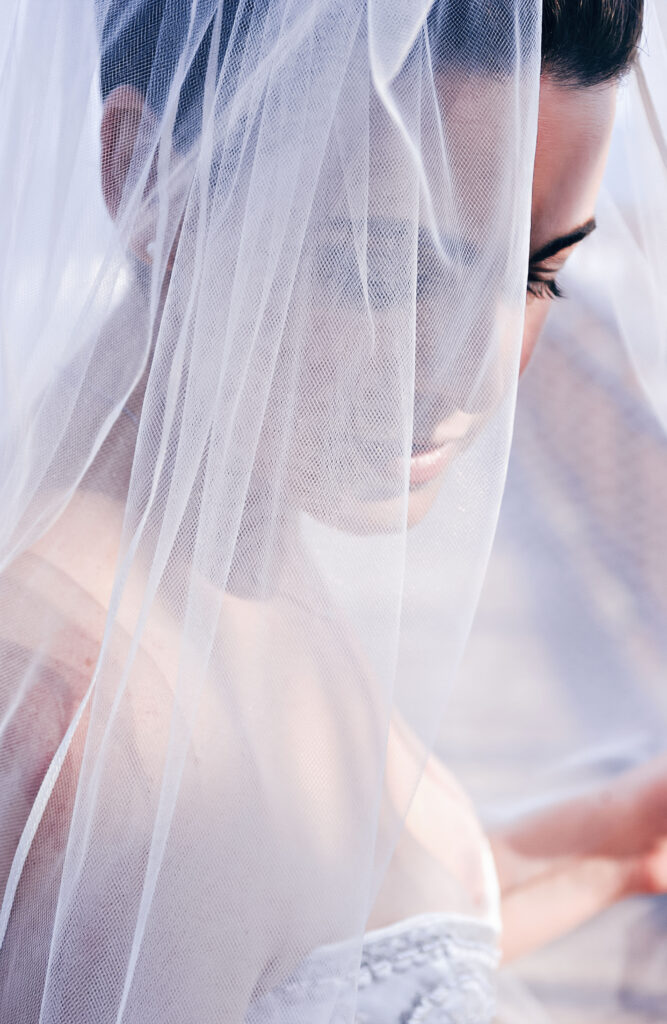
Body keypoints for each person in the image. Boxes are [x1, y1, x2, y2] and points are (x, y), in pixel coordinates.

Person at [0, 0, 664, 1021]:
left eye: (536, 272)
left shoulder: (221, 549)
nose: (472, 373)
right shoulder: (106, 761)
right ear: (143, 175)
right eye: (386, 265)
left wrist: (620, 843)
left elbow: (312, 953)